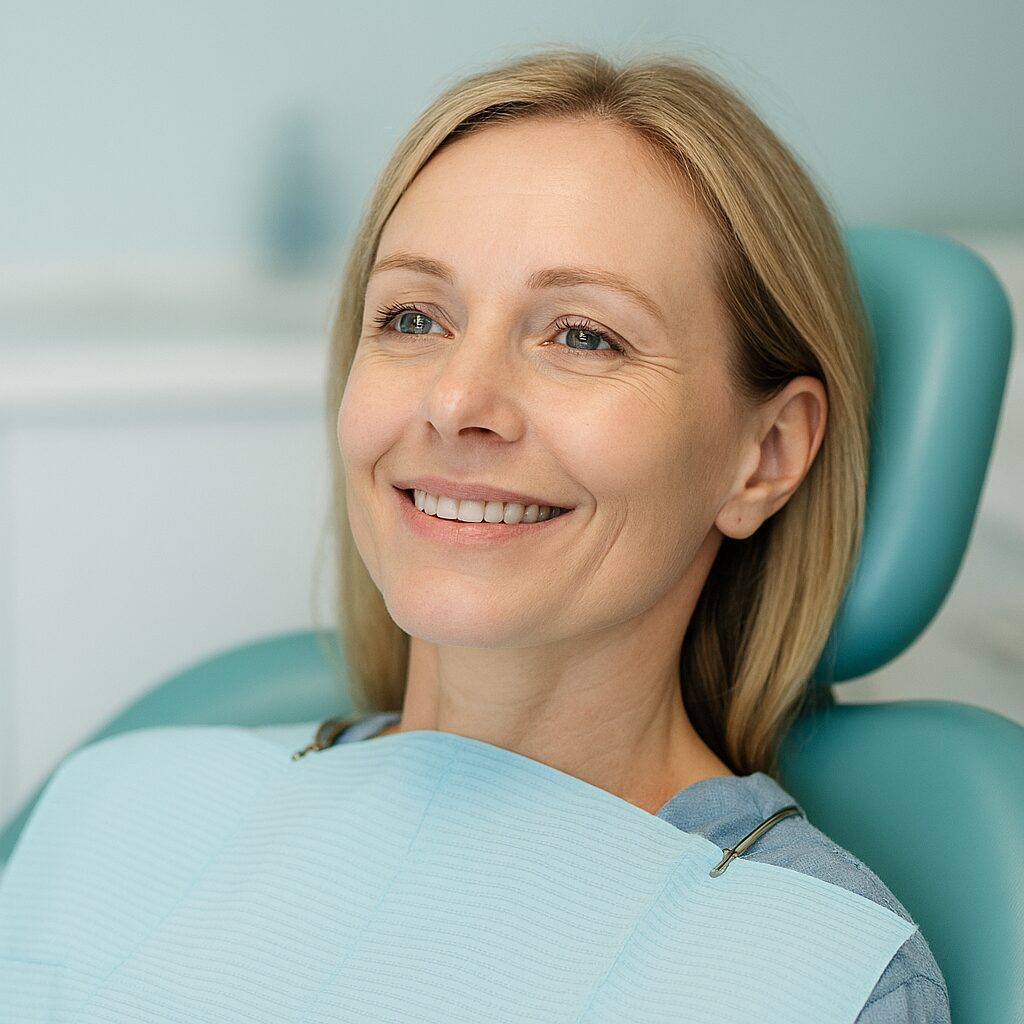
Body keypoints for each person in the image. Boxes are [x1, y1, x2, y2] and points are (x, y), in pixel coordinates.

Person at [0, 47, 950, 1022]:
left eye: (582, 334)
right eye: (413, 316)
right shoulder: (117, 801)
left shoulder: (815, 972)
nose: (457, 401)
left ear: (765, 454)